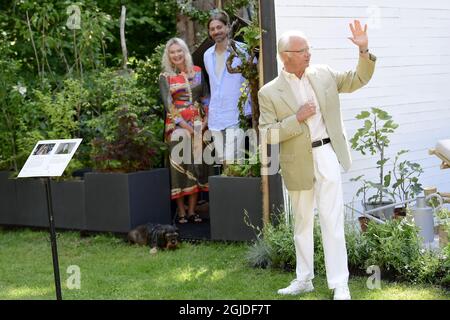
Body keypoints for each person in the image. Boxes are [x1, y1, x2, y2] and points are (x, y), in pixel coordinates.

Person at [258, 20, 376, 300]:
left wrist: (363, 50)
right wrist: (295, 118)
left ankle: (340, 284)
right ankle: (304, 279)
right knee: (302, 223)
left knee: (332, 219)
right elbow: (267, 133)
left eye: (309, 48)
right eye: (303, 50)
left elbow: (357, 79)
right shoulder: (269, 92)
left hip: (326, 153)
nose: (309, 54)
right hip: (296, 160)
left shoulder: (323, 74)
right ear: (286, 56)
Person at [159, 37, 210, 224]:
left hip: (199, 124)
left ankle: (191, 211)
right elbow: (169, 105)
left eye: (179, 51)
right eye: (172, 52)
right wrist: (187, 127)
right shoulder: (165, 77)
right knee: (179, 168)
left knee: (197, 166)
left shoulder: (197, 72)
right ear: (168, 56)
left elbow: (205, 96)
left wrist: (206, 120)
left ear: (185, 52)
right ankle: (181, 212)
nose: (176, 55)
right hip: (177, 127)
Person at [203, 10, 252, 166]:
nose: (216, 31)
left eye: (219, 27)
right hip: (215, 116)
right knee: (223, 163)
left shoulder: (242, 50)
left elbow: (253, 80)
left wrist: (248, 106)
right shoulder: (207, 55)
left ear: (227, 27)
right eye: (212, 29)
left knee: (233, 161)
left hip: (235, 114)